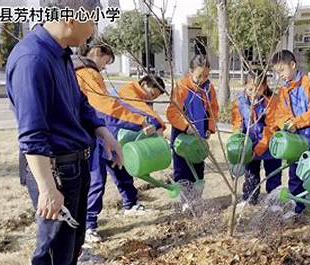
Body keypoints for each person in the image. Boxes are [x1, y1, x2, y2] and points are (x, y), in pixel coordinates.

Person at [5, 1, 123, 265]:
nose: (95, 29)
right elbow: (32, 135)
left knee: (72, 244)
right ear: (71, 18)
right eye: (93, 20)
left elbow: (80, 103)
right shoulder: (33, 59)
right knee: (54, 250)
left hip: (76, 165)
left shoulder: (60, 55)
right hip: (56, 170)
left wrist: (104, 133)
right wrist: (47, 188)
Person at [73, 44, 166, 242]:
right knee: (96, 179)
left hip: (99, 130)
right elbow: (108, 107)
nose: (105, 68)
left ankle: (130, 204)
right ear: (98, 53)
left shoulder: (82, 70)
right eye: (106, 62)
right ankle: (88, 226)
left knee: (118, 166)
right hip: (90, 133)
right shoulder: (87, 72)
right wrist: (144, 122)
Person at [269, 50, 310, 222]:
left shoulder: (309, 84)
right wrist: (285, 123)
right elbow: (279, 114)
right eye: (277, 73)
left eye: (282, 71)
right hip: (294, 139)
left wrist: (297, 122)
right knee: (294, 175)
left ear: (293, 65)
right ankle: (297, 207)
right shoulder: (284, 90)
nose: (280, 76)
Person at [166, 54, 219, 191]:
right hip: (182, 137)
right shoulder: (182, 87)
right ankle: (185, 202)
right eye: (199, 76)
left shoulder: (208, 89)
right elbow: (172, 112)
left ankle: (196, 199)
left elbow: (213, 109)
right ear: (191, 72)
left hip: (199, 136)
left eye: (206, 76)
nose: (203, 79)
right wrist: (186, 126)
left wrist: (209, 127)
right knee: (183, 171)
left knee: (198, 169)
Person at [232, 69, 281, 205]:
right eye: (250, 89)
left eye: (257, 90)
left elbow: (271, 127)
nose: (253, 93)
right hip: (250, 143)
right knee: (250, 173)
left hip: (270, 144)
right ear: (245, 86)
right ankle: (249, 199)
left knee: (273, 174)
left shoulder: (272, 101)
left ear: (264, 87)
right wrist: (238, 140)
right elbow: (237, 123)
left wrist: (260, 147)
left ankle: (273, 203)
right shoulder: (240, 102)